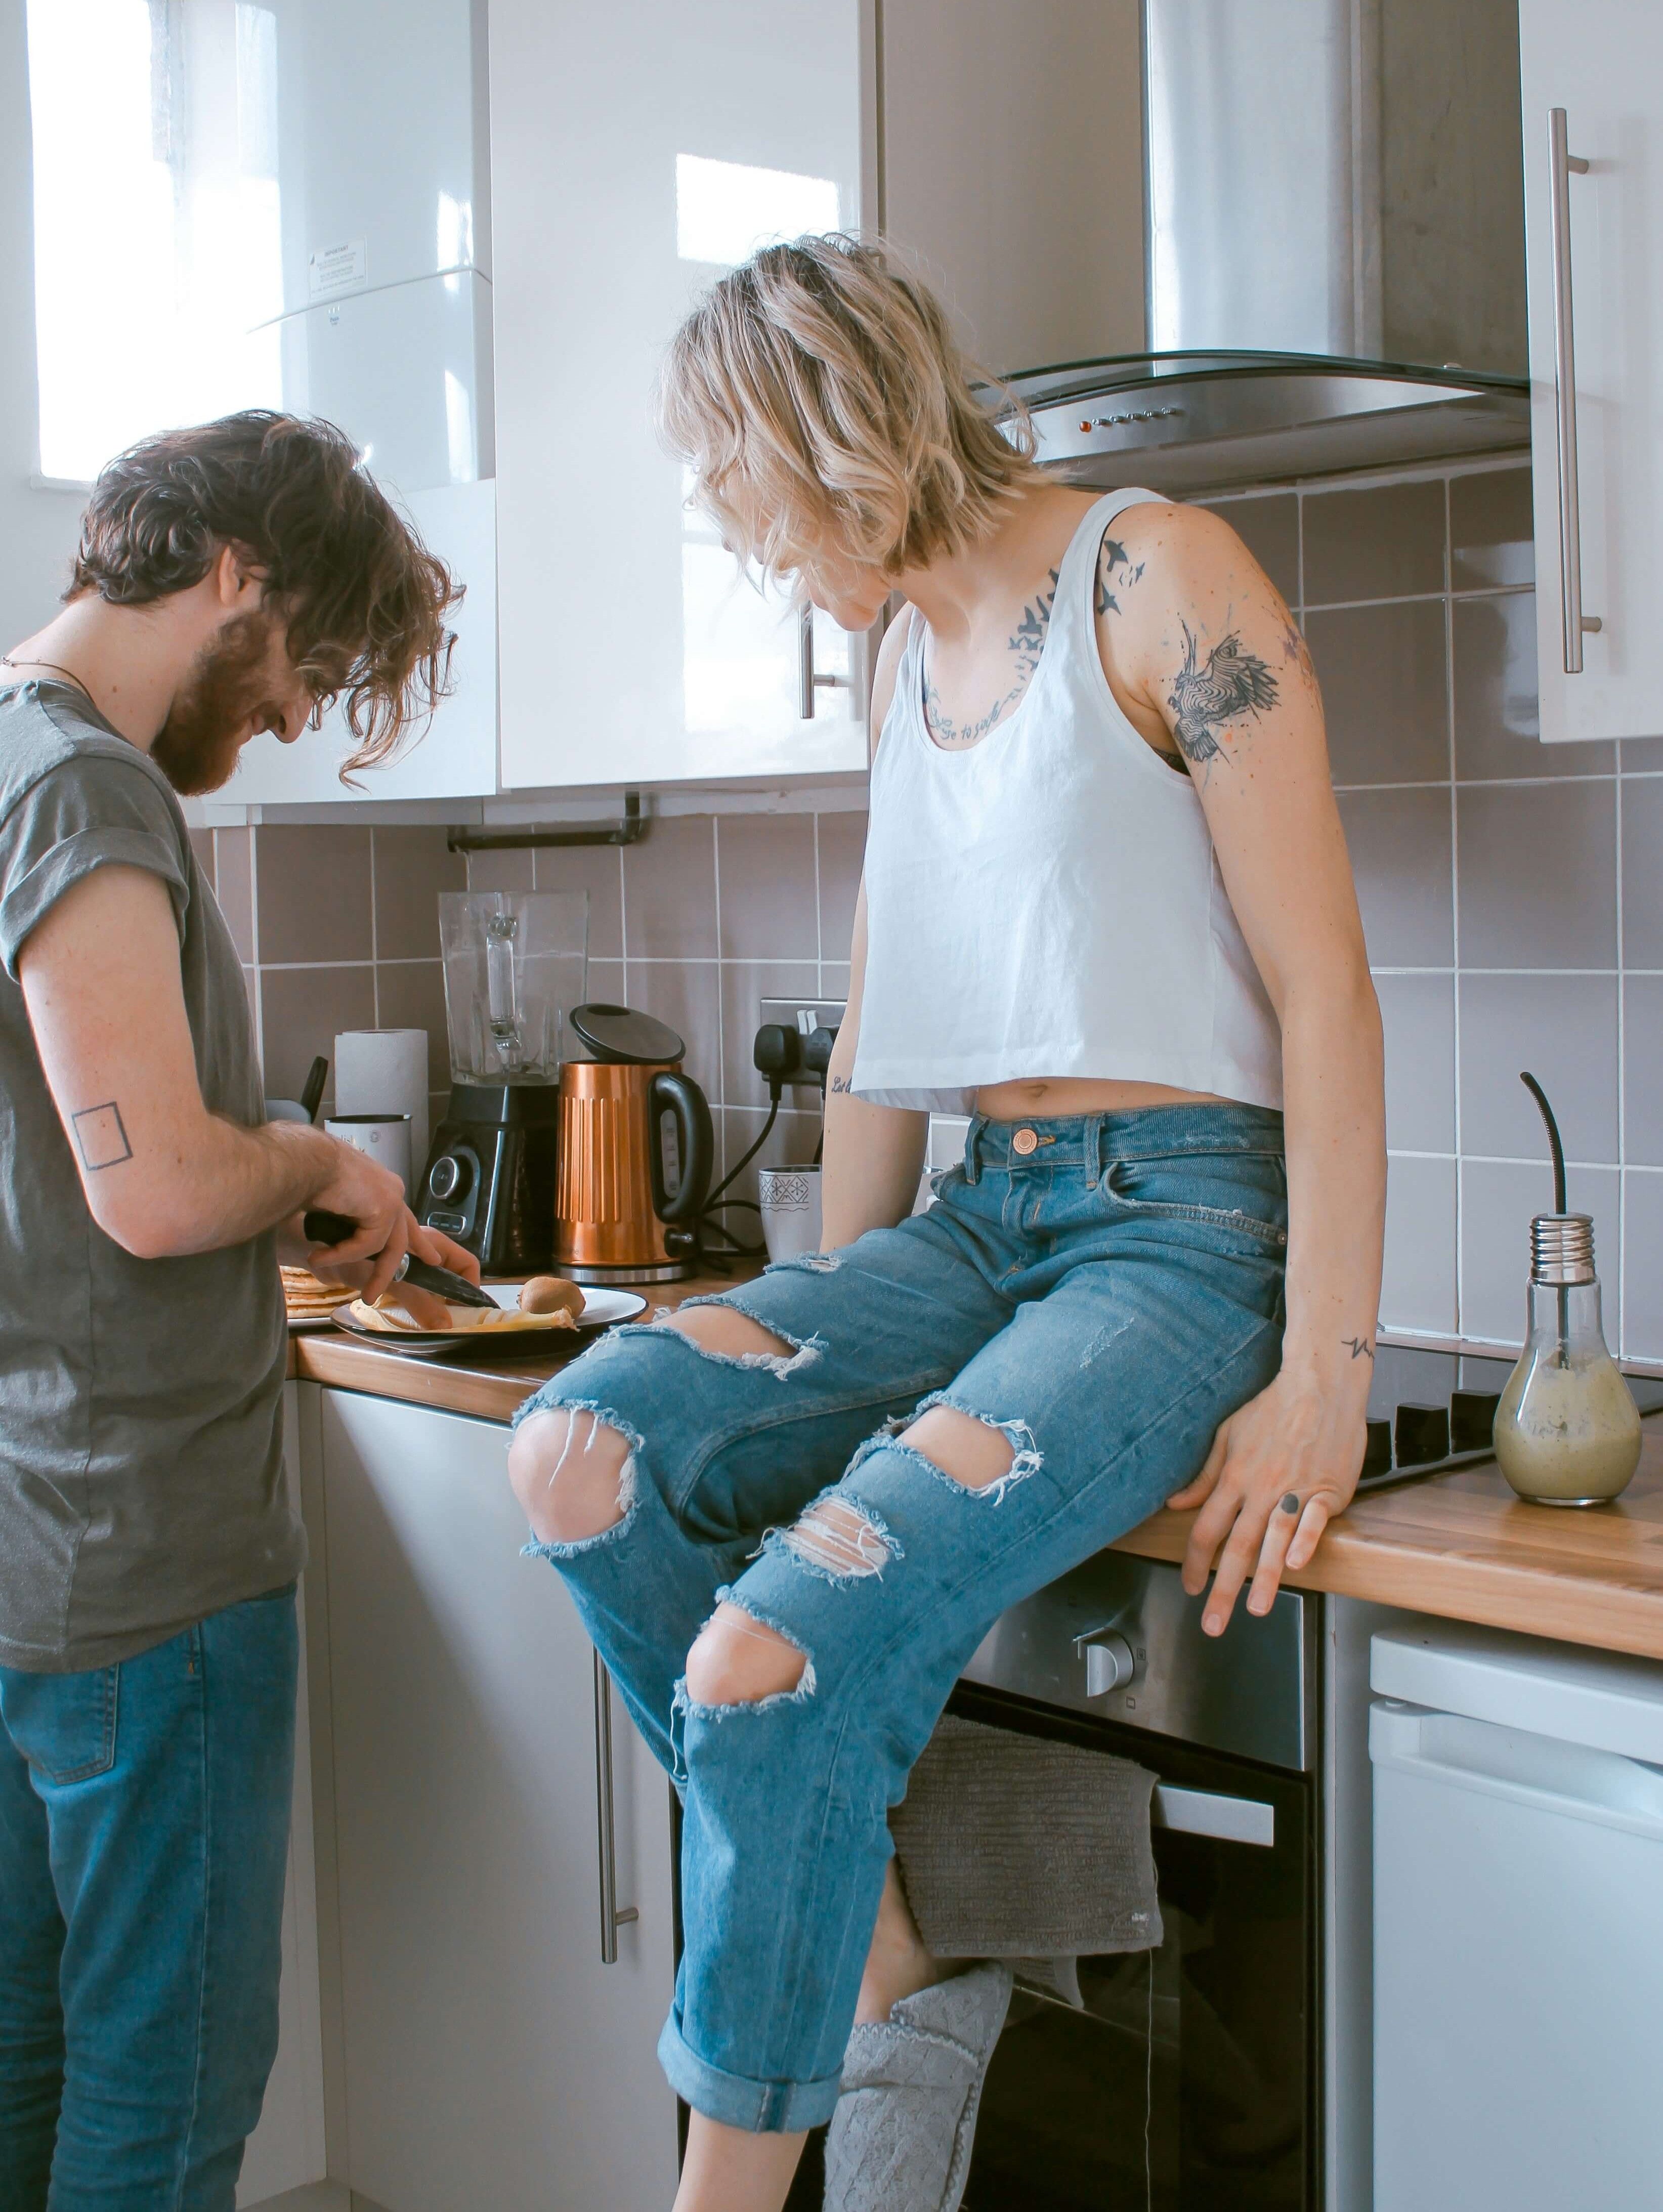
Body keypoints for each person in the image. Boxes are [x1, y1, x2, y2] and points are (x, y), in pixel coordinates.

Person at [507, 236, 1385, 2212]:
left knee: (766, 1660)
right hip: (984, 1228)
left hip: (1186, 1240)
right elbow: (895, 1033)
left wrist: (1325, 1375)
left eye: (761, 511)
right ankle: (881, 1929)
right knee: (577, 1454)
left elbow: (1329, 994)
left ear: (844, 440)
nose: (762, 559)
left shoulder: (1162, 579)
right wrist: (813, 1321)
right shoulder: (903, 653)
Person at [0, 409, 480, 2208]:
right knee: (166, 2099)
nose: (295, 715)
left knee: (34, 2064)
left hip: (35, 1533)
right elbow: (152, 1188)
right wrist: (309, 1158)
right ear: (236, 576)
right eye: (311, 664)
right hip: (148, 1558)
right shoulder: (84, 784)